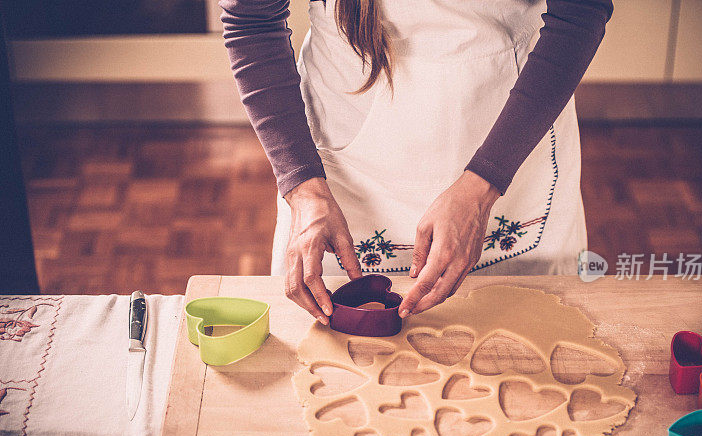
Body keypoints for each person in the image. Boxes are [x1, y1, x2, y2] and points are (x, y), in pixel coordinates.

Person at [220, 0, 612, 323]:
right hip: (346, 155)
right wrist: (304, 189)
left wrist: (482, 187)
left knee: (533, 332)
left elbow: (580, 13)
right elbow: (250, 20)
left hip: (511, 133)